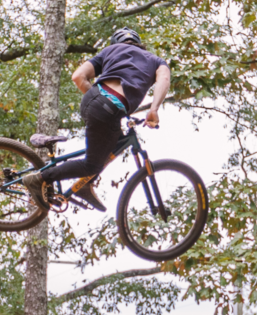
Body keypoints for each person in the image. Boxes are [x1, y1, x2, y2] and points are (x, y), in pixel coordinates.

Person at [32, 28, 171, 212]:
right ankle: (39, 179)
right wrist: (153, 109)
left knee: (116, 141)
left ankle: (86, 185)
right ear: (139, 43)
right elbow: (164, 79)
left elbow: (78, 76)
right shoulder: (156, 61)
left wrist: (99, 101)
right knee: (91, 164)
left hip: (92, 100)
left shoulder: (109, 52)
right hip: (108, 108)